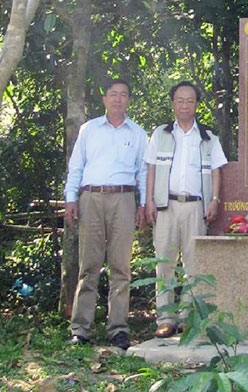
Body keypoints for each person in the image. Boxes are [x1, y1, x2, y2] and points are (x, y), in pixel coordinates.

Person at [65, 78, 148, 350]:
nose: (118, 99)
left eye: (124, 95)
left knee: (121, 266)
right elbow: (76, 166)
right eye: (113, 94)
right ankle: (81, 328)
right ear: (104, 99)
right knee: (88, 265)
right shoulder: (89, 129)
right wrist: (71, 199)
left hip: (124, 199)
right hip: (91, 198)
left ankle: (119, 329)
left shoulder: (137, 133)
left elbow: (144, 172)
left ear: (129, 100)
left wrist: (143, 203)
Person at [144, 81, 228, 338]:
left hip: (195, 207)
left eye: (189, 100)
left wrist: (214, 199)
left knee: (194, 264)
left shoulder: (207, 137)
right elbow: (151, 168)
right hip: (166, 205)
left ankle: (186, 317)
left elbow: (216, 170)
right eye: (179, 100)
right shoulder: (161, 134)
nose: (184, 105)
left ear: (196, 104)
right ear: (172, 104)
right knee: (165, 263)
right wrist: (148, 200)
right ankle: (165, 318)